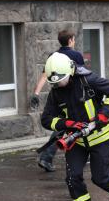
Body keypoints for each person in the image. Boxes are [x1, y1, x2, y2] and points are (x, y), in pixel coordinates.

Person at [40, 52, 109, 201]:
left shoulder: (88, 80)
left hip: (100, 137)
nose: (58, 85)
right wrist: (67, 124)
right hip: (77, 141)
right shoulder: (56, 92)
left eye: (60, 81)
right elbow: (46, 119)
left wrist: (103, 115)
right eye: (54, 83)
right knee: (72, 178)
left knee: (101, 178)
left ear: (69, 72)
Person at [30, 30, 85, 172]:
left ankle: (46, 157)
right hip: (73, 97)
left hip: (57, 96)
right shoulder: (76, 55)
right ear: (71, 40)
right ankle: (48, 156)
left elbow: (44, 76)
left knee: (62, 125)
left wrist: (36, 93)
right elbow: (82, 76)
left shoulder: (52, 57)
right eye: (74, 39)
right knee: (73, 125)